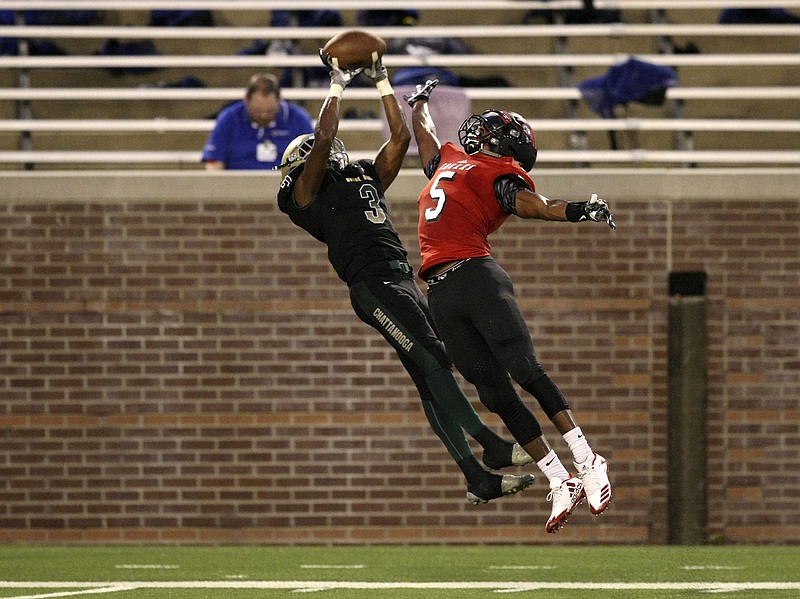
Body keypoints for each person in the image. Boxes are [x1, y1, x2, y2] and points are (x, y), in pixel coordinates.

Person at [276, 54, 536, 504]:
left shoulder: (359, 177)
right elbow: (323, 137)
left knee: (428, 372)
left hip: (403, 281)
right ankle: (489, 444)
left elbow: (399, 138)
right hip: (372, 287)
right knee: (435, 357)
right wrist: (336, 85)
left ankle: (476, 477)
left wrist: (383, 83)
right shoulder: (303, 192)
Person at [405, 79, 615, 533]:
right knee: (494, 393)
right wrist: (417, 103)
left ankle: (587, 457)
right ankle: (559, 479)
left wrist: (579, 210)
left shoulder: (498, 173)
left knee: (524, 369)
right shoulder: (452, 160)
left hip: (478, 277)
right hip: (440, 291)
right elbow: (423, 140)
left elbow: (535, 206)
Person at [202, 73, 314, 170]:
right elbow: (214, 162)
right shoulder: (229, 118)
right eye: (257, 110)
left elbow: (312, 159)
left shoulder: (299, 118)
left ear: (279, 99)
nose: (263, 115)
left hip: (286, 187)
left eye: (269, 111)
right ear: (246, 99)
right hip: (238, 187)